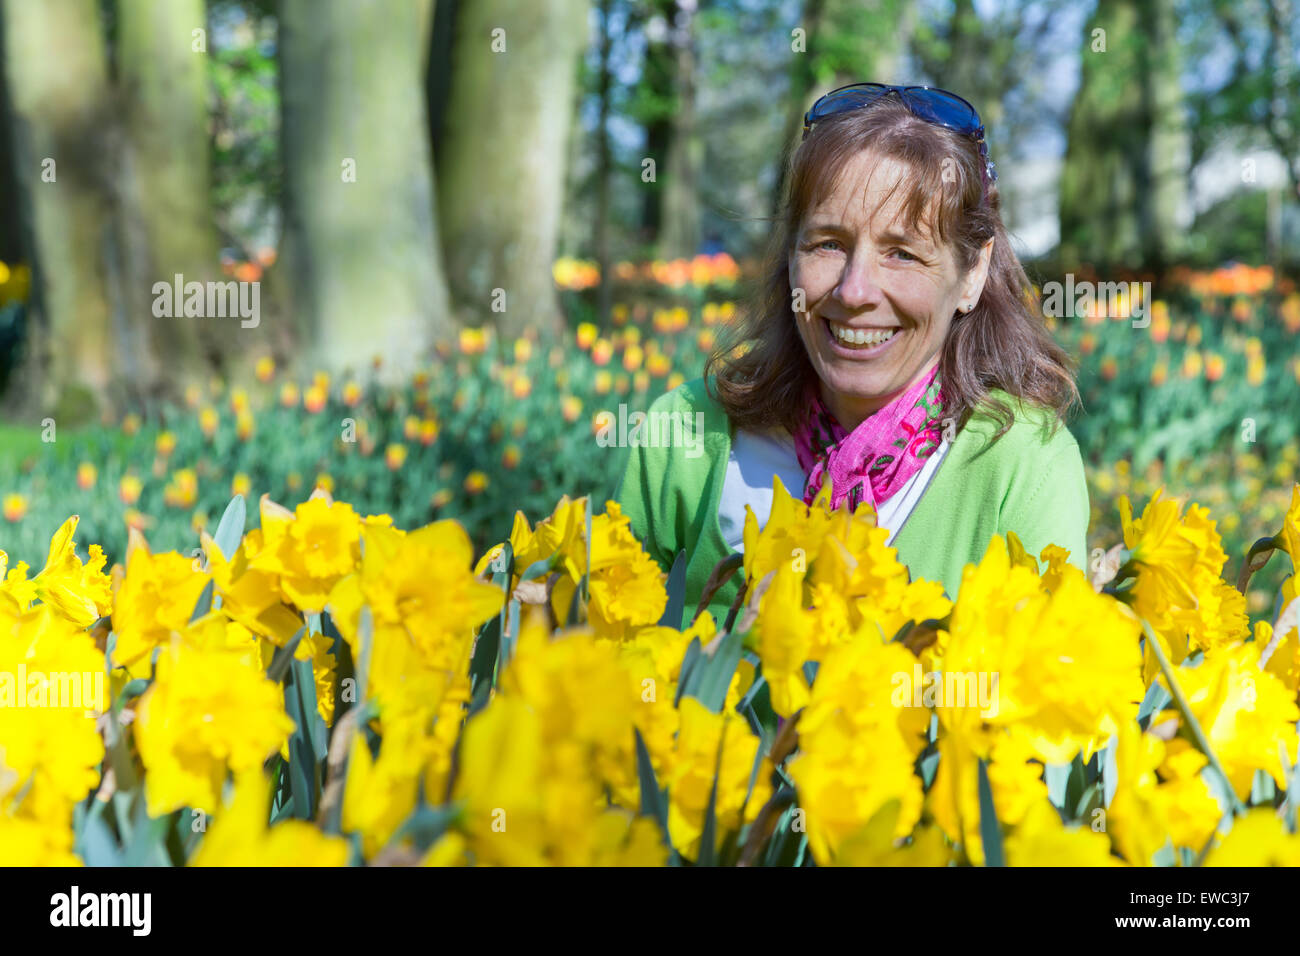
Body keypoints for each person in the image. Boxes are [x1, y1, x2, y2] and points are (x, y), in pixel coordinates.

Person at [615, 83, 1088, 628]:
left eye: (903, 253)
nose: (855, 290)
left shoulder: (1022, 469)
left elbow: (1045, 695)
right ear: (790, 254)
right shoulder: (686, 434)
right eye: (828, 244)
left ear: (972, 273)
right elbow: (602, 665)